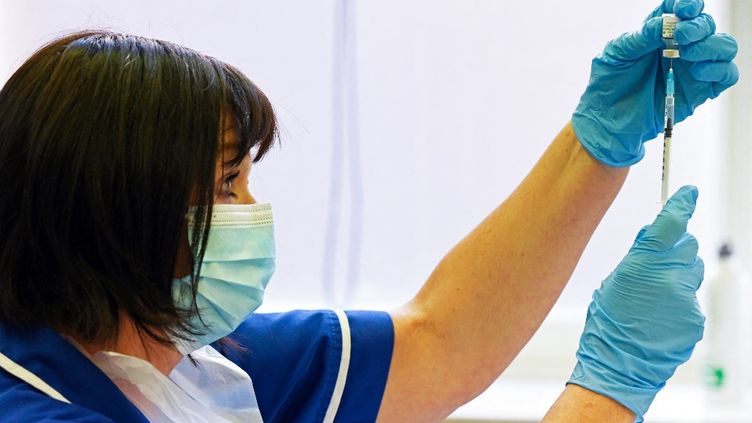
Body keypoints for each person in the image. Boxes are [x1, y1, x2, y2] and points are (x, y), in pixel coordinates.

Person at [0, 0, 737, 422]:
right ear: (118, 207)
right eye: (227, 187)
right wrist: (611, 385)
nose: (254, 215)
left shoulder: (195, 364)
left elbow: (441, 339)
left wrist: (598, 146)